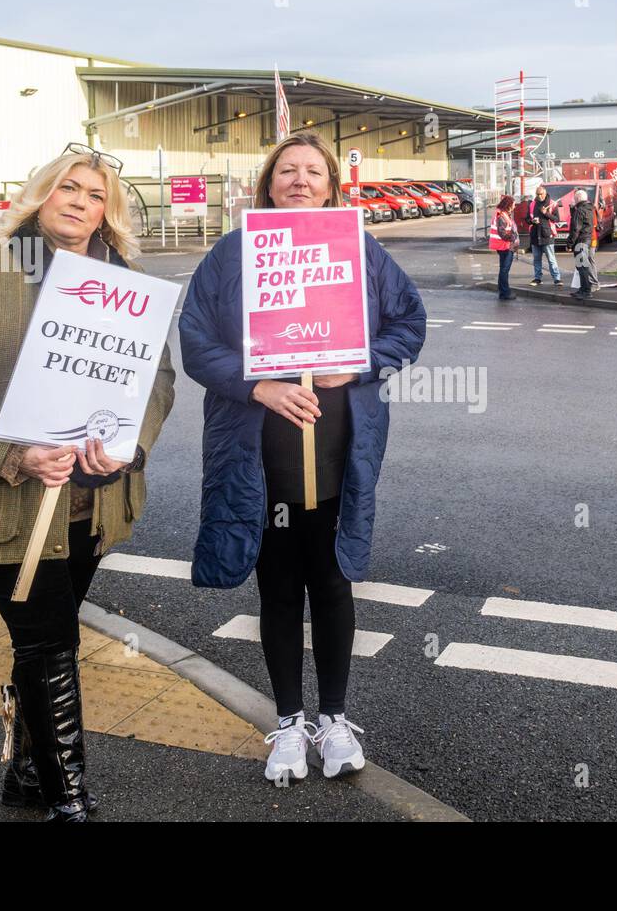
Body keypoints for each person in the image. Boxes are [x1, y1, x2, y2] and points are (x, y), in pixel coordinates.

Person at [0, 144, 176, 821]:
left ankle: (27, 773)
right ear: (41, 195)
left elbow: (157, 382)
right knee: (50, 641)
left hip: (90, 505)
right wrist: (13, 451)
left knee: (44, 640)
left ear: (106, 211)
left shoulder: (127, 285)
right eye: (68, 188)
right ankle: (70, 801)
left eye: (95, 194)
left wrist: (127, 446)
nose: (80, 201)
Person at [178, 131, 426, 783]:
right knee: (280, 591)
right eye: (287, 170)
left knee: (334, 585)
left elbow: (410, 324)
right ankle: (289, 721)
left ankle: (335, 718)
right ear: (268, 183)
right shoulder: (233, 253)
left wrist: (361, 363)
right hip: (260, 461)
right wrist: (256, 383)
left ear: (330, 185)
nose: (299, 179)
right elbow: (195, 342)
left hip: (340, 454)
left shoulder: (360, 251)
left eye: (312, 171)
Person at [527, 185, 563, 286]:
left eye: (541, 194)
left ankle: (557, 279)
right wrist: (532, 221)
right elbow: (527, 219)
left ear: (545, 193)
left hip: (547, 235)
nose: (539, 196)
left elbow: (556, 219)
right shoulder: (532, 204)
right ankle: (537, 278)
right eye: (537, 194)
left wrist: (546, 213)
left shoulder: (552, 204)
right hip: (535, 235)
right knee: (537, 259)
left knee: (551, 259)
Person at [488, 195, 519, 300]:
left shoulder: (502, 213)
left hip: (502, 245)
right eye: (514, 204)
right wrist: (513, 236)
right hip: (504, 246)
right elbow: (502, 233)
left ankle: (502, 291)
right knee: (504, 270)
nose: (515, 206)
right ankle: (505, 292)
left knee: (503, 269)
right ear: (509, 205)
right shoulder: (502, 215)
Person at [567, 188, 596, 299]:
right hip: (587, 239)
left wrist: (569, 244)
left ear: (578, 198)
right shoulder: (589, 209)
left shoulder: (579, 211)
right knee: (583, 265)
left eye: (575, 198)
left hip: (580, 241)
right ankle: (584, 289)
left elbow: (575, 229)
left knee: (582, 267)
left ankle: (586, 291)